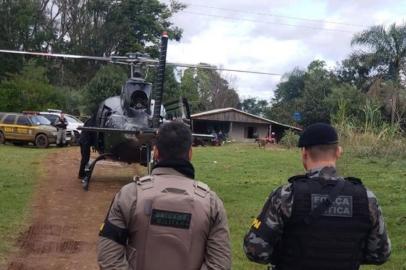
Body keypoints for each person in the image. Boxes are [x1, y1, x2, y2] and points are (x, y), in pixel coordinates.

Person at [243, 122, 391, 269]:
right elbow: (380, 254)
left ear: (304, 153)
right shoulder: (366, 198)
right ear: (339, 152)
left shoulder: (286, 196)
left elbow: (255, 250)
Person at [97, 122, 231, 270]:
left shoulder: (129, 195)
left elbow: (109, 259)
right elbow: (220, 264)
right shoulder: (212, 204)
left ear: (156, 152)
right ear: (190, 153)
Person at [78, 115, 96, 179]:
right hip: (85, 142)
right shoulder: (92, 122)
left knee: (85, 158)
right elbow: (92, 133)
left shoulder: (90, 121)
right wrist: (94, 144)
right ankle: (81, 174)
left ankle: (82, 173)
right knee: (85, 158)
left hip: (84, 141)